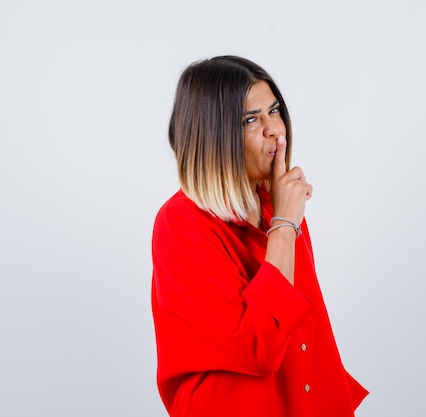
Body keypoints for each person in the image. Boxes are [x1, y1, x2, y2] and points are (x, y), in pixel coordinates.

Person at [151, 55, 368, 417]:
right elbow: (259, 348)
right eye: (251, 119)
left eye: (274, 111)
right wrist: (284, 224)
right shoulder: (182, 223)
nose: (275, 129)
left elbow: (307, 334)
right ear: (212, 135)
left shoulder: (277, 204)